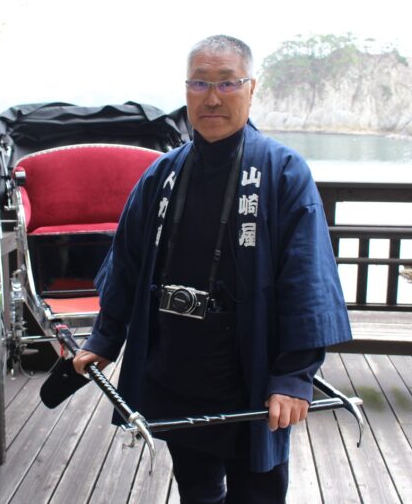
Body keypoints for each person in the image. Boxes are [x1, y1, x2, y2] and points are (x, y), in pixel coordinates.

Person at [73, 35, 352, 503]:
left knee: (257, 491)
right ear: (186, 90)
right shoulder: (162, 173)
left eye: (227, 82)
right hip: (179, 365)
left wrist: (292, 377)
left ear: (251, 89)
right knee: (196, 489)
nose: (213, 97)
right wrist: (104, 339)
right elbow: (128, 265)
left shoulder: (283, 171)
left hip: (252, 372)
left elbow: (307, 279)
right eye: (200, 83)